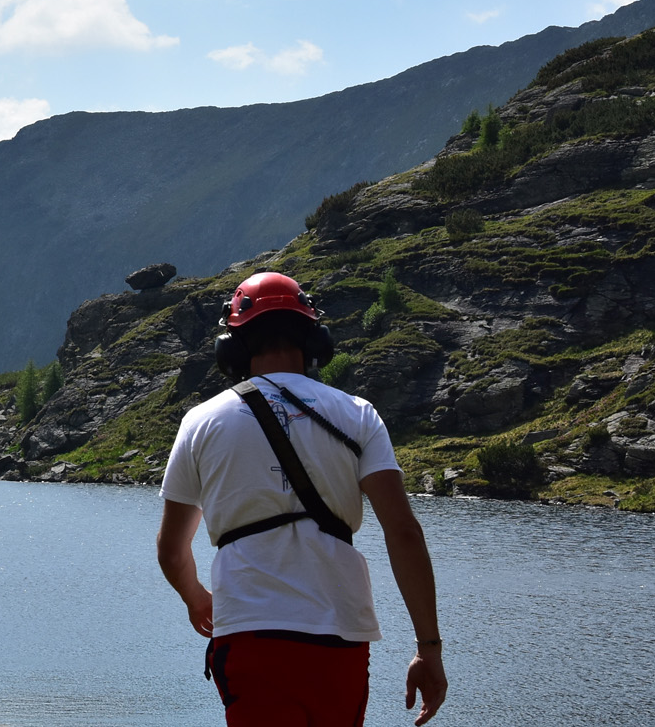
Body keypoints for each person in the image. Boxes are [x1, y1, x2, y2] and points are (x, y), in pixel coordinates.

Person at [155, 271, 448, 726]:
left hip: (249, 631)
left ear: (232, 346)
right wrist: (428, 648)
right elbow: (404, 532)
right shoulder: (359, 415)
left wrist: (196, 598)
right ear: (315, 340)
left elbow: (172, 553)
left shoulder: (200, 421)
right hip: (341, 635)